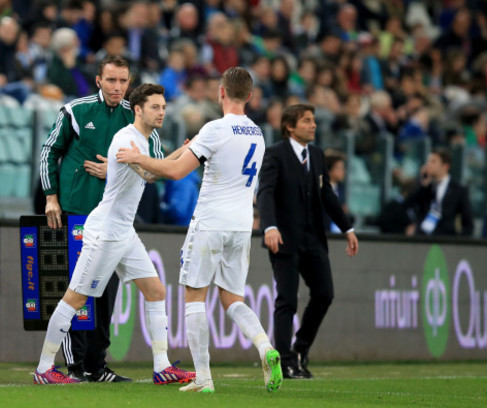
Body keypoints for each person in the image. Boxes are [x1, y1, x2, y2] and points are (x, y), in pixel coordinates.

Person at [117, 67, 283, 393]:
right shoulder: (258, 133)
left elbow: (177, 171)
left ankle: (204, 379)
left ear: (221, 93)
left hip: (210, 223)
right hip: (240, 226)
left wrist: (139, 157)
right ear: (249, 96)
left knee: (194, 296)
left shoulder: (215, 129)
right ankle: (265, 347)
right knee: (232, 298)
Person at [34, 83, 195, 385]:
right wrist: (186, 152)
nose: (161, 112)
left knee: (156, 292)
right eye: (155, 107)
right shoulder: (125, 139)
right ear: (138, 110)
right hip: (105, 232)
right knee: (75, 298)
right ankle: (44, 369)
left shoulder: (144, 142)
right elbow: (151, 174)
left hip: (124, 231)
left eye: (163, 107)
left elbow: (152, 168)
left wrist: (184, 150)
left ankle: (162, 367)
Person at [257, 103, 359, 379]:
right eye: (306, 120)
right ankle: (285, 361)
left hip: (313, 237)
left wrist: (347, 228)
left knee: (325, 294)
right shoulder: (275, 154)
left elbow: (326, 195)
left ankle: (300, 349)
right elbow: (264, 192)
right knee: (287, 300)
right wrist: (269, 227)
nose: (313, 125)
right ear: (290, 126)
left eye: (313, 120)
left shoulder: (316, 155)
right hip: (284, 238)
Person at [405, 149, 473, 237]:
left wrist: (460, 242)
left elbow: (468, 221)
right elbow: (407, 205)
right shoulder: (425, 187)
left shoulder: (458, 190)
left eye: (433, 161)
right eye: (428, 161)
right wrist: (423, 186)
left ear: (445, 166)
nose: (428, 165)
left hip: (447, 239)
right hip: (423, 238)